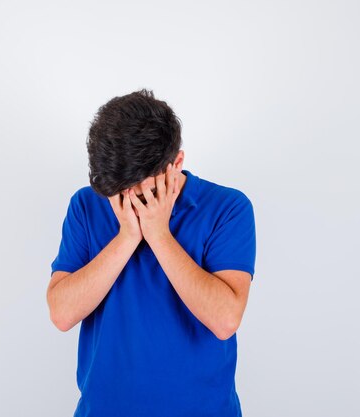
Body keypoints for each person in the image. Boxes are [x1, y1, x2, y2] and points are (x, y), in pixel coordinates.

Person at [47, 88, 256, 417]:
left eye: (139, 186)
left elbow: (225, 320)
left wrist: (158, 234)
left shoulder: (227, 208)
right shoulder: (86, 205)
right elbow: (61, 313)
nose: (127, 197)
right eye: (118, 188)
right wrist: (128, 236)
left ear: (177, 165)